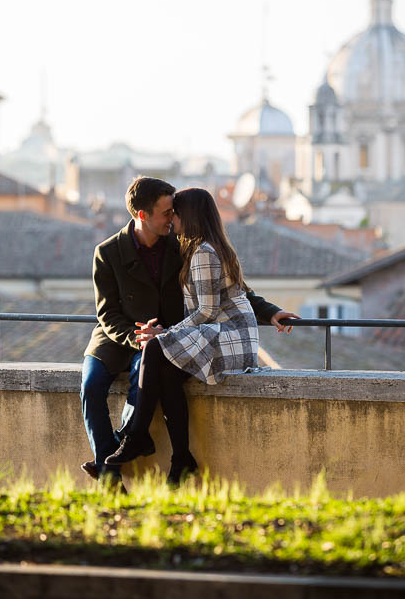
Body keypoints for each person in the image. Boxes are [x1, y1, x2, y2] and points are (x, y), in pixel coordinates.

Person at [81, 177, 298, 487]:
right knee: (90, 386)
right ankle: (109, 468)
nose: (172, 218)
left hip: (167, 334)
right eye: (167, 212)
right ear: (143, 215)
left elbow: (229, 288)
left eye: (175, 211)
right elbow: (106, 314)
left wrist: (270, 311)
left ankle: (124, 452)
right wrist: (136, 336)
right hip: (120, 335)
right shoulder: (107, 252)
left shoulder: (182, 242)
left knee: (144, 376)